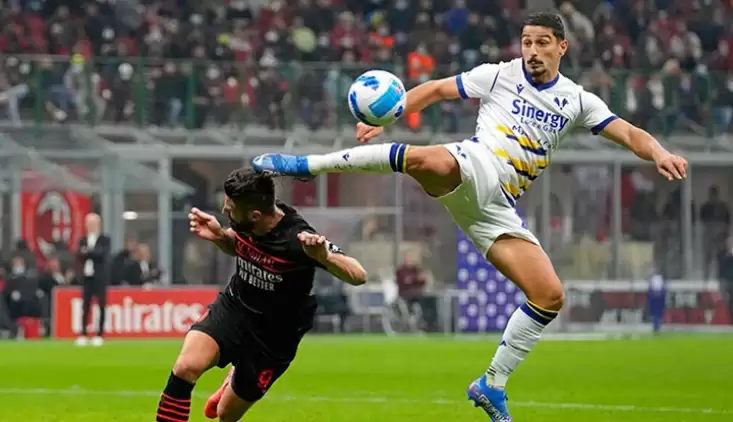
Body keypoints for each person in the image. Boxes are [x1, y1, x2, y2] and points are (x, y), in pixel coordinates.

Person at [250, 12, 688, 421]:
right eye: (526, 42)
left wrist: (659, 152)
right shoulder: (499, 75)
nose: (532, 50)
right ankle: (309, 165)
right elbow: (438, 89)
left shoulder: (576, 100)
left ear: (562, 47)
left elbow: (628, 132)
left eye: (542, 43)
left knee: (549, 295)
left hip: (495, 207)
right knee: (423, 160)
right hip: (478, 163)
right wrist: (393, 115)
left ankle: (492, 384)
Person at [155, 168, 367, 422]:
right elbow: (238, 246)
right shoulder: (248, 220)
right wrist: (220, 237)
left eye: (230, 209)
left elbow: (358, 275)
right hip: (235, 308)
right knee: (185, 368)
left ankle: (234, 377)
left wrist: (324, 257)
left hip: (275, 336)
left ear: (255, 216)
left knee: (225, 415)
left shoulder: (298, 238)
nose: (224, 212)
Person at [75, 213, 110, 347]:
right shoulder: (82, 240)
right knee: (85, 306)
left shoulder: (104, 240)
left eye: (93, 223)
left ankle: (99, 334)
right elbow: (79, 255)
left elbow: (101, 254)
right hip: (86, 277)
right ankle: (83, 334)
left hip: (100, 277)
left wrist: (88, 252)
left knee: (101, 305)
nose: (91, 226)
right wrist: (90, 252)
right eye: (89, 224)